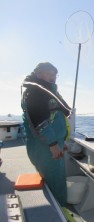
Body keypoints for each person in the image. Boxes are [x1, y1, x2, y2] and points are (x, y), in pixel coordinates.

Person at [21, 62, 71, 206]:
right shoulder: (36, 91)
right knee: (56, 182)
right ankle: (61, 212)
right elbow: (39, 121)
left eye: (54, 74)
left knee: (54, 178)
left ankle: (58, 208)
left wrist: (62, 141)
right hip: (45, 146)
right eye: (48, 73)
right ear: (38, 74)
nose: (52, 77)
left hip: (53, 142)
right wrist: (54, 145)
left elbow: (60, 113)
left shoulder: (47, 90)